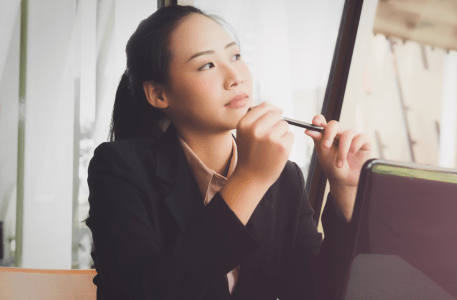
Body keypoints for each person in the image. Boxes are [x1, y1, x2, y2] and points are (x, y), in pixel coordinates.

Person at [85, 5, 372, 300]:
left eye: (235, 56)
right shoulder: (119, 166)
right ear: (159, 94)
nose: (235, 75)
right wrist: (249, 179)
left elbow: (316, 292)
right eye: (206, 65)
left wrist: (346, 190)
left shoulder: (284, 177)